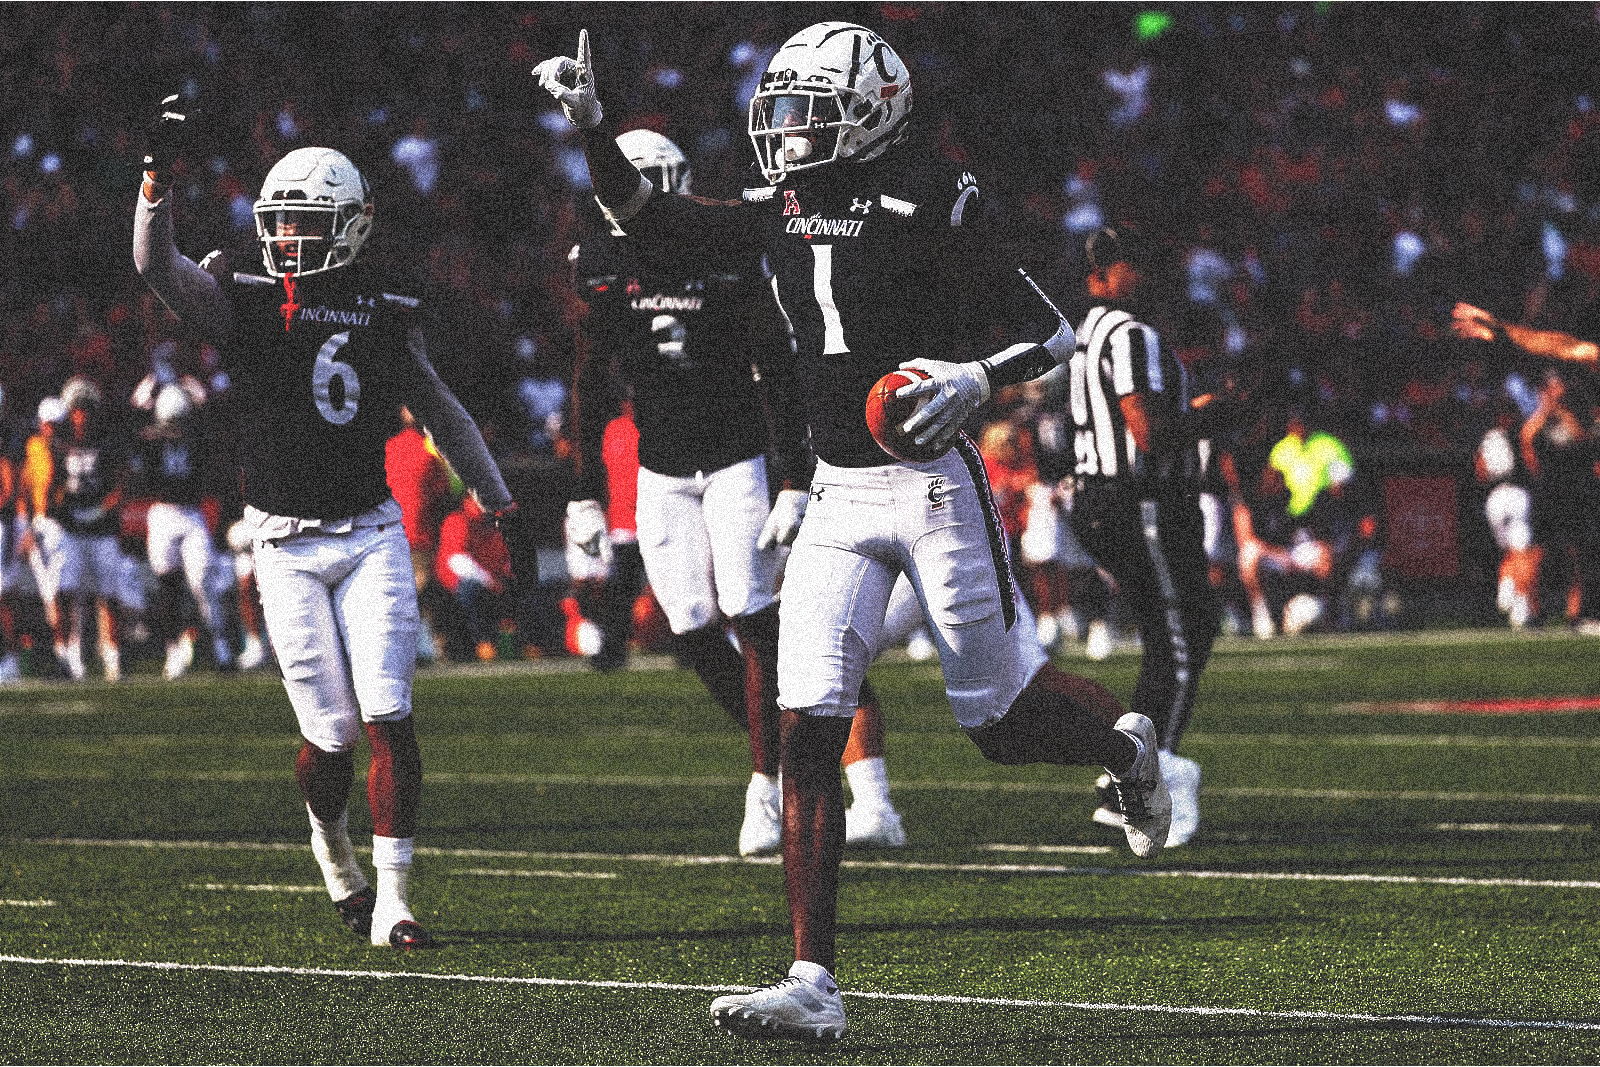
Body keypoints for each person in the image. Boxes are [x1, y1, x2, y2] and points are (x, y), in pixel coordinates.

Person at [537, 24, 1169, 1042]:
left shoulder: (934, 198)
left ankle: (1124, 748)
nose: (787, 131)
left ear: (875, 109)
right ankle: (812, 978)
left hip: (930, 485)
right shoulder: (781, 205)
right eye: (781, 110)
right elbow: (652, 223)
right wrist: (596, 127)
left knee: (998, 724)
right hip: (834, 490)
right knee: (805, 731)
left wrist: (971, 375)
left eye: (809, 110)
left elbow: (1047, 332)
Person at [133, 96, 538, 950]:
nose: (287, 239)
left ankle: (395, 897)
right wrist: (155, 184)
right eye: (278, 222)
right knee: (330, 739)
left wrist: (498, 501)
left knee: (390, 712)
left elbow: (445, 415)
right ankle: (329, 843)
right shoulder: (245, 296)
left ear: (351, 228)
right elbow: (156, 266)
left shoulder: (385, 308)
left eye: (306, 223)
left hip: (369, 533)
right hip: (283, 544)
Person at [565, 127, 905, 855]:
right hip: (660, 468)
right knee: (689, 625)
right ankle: (779, 750)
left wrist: (791, 475)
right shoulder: (600, 266)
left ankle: (766, 783)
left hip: (733, 459)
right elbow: (591, 385)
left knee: (753, 615)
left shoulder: (722, 257)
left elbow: (776, 369)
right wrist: (585, 492)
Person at [1063, 227, 1218, 849]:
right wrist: (1210, 413)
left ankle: (1121, 781)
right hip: (1143, 502)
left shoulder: (1084, 334)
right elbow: (1148, 432)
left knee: (1166, 639)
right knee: (1184, 637)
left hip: (1109, 500)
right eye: (1128, 264)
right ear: (1101, 275)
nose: (1142, 275)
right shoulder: (1128, 334)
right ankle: (1163, 785)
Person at [131, 383, 233, 679]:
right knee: (167, 585)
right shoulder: (151, 440)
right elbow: (133, 430)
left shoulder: (197, 436)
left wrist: (199, 398)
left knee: (204, 581)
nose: (175, 428)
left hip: (191, 513)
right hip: (163, 513)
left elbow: (211, 425)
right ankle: (173, 650)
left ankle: (222, 647)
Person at [43, 376, 129, 682]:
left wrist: (102, 508)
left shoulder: (108, 442)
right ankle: (66, 657)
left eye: (86, 409)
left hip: (102, 527)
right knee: (64, 591)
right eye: (77, 410)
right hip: (70, 527)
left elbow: (120, 486)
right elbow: (52, 489)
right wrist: (60, 505)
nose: (82, 415)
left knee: (108, 593)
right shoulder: (58, 444)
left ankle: (112, 655)